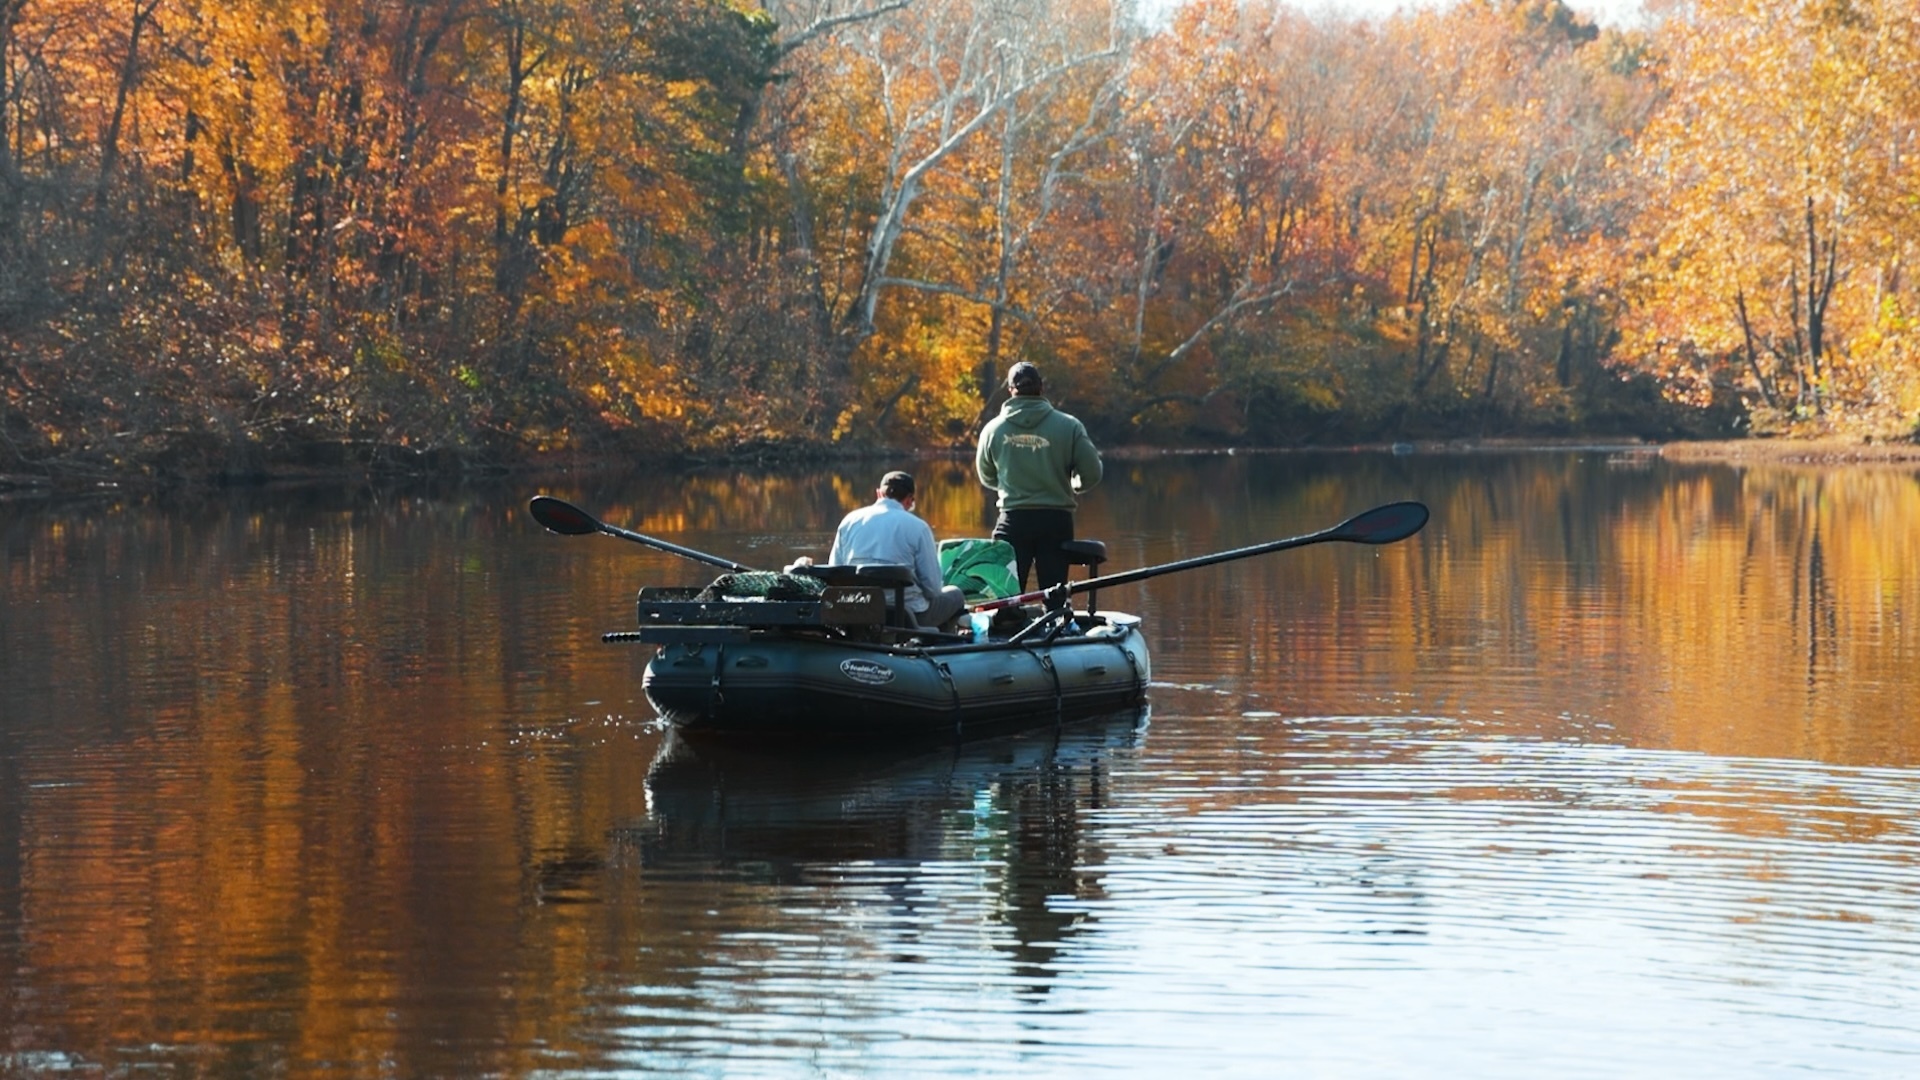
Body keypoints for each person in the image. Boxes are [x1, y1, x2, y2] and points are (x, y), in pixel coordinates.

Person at [974, 362, 1102, 601]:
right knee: (1054, 597)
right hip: (1055, 521)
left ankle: (1008, 628)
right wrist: (1074, 485)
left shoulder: (992, 430)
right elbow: (1092, 473)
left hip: (1013, 519)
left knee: (1006, 599)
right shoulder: (1069, 425)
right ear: (1041, 387)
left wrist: (1008, 487)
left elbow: (986, 476)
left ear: (1011, 390)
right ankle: (1055, 625)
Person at [808, 470, 967, 630]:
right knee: (955, 594)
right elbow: (932, 589)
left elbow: (836, 573)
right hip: (906, 616)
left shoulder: (849, 521)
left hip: (858, 611)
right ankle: (939, 642)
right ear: (909, 500)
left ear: (879, 494)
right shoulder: (918, 527)